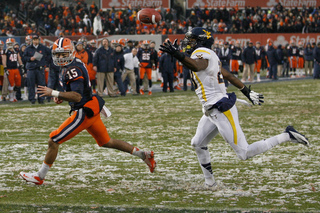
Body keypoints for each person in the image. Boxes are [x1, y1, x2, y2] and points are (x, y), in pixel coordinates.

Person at [159, 27, 309, 188]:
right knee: (197, 143)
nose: (187, 42)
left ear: (201, 41)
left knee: (244, 153)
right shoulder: (210, 55)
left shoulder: (201, 53)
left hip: (220, 109)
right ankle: (210, 183)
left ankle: (287, 135)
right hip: (211, 110)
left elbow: (196, 65)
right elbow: (227, 74)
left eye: (192, 39)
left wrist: (177, 54)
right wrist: (246, 91)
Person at [20, 37, 156, 185]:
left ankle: (40, 176)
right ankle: (143, 154)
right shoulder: (75, 63)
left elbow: (77, 96)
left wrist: (54, 93)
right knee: (106, 142)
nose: (60, 57)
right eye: (57, 54)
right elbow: (76, 91)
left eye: (63, 54)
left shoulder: (72, 69)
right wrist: (62, 96)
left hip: (83, 112)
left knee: (53, 140)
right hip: (91, 108)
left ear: (71, 52)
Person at [23, 34, 51, 104]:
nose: (35, 41)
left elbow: (50, 54)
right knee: (31, 84)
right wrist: (30, 58)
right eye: (34, 39)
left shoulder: (43, 48)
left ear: (39, 40)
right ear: (32, 40)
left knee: (41, 85)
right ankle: (32, 99)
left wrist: (46, 64)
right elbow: (24, 58)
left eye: (37, 39)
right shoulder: (28, 48)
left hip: (40, 68)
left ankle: (41, 99)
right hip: (31, 68)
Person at [2, 38, 24, 102]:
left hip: (16, 69)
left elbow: (19, 59)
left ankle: (13, 96)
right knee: (11, 84)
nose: (9, 45)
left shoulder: (16, 50)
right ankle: (11, 97)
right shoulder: (5, 51)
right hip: (9, 69)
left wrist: (21, 66)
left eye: (11, 43)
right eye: (8, 44)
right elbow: (4, 60)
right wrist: (5, 68)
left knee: (18, 84)